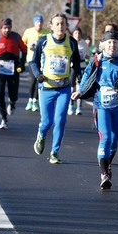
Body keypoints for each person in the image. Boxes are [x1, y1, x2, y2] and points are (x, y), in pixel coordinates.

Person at [71, 30, 118, 189]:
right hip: (101, 105)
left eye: (115, 42)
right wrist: (80, 91)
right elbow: (87, 76)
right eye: (109, 42)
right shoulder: (97, 60)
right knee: (106, 138)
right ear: (103, 45)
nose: (112, 45)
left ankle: (108, 164)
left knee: (114, 141)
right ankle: (104, 175)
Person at [30, 13, 82, 164]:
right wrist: (38, 74)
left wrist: (78, 74)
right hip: (46, 87)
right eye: (57, 24)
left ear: (67, 26)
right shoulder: (43, 42)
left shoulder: (71, 42)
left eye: (63, 24)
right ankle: (41, 135)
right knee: (47, 122)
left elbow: (77, 62)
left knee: (60, 121)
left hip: (64, 88)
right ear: (51, 27)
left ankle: (54, 152)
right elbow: (33, 62)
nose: (60, 27)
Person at [0, 18, 27, 129]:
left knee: (13, 94)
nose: (7, 30)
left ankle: (12, 103)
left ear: (11, 28)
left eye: (8, 28)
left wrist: (22, 63)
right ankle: (4, 119)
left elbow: (24, 50)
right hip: (0, 68)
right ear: (1, 28)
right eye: (4, 28)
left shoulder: (16, 37)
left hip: (13, 68)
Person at [22, 15, 50, 112]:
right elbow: (22, 43)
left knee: (39, 80)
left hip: (43, 60)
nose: (39, 23)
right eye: (37, 22)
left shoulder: (47, 32)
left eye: (41, 22)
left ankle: (35, 101)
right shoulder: (28, 31)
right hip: (31, 59)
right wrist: (28, 45)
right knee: (33, 79)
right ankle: (30, 100)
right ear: (34, 23)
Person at [68, 27, 88, 116]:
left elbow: (87, 55)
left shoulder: (84, 44)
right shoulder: (70, 42)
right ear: (73, 34)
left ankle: (79, 108)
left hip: (82, 66)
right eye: (76, 33)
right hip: (73, 66)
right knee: (72, 87)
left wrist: (86, 56)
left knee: (80, 87)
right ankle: (71, 105)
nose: (77, 35)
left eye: (79, 33)